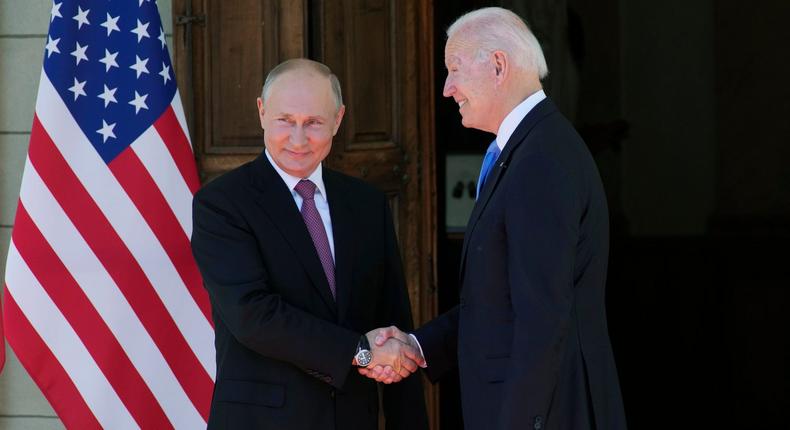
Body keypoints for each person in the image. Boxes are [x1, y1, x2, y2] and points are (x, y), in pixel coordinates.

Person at [362, 7, 627, 430]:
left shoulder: (540, 159)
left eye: (455, 69)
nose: (447, 88)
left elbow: (541, 317)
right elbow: (499, 300)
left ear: (498, 65)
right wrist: (418, 345)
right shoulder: (526, 149)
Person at [191, 58, 428, 430]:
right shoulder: (221, 204)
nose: (298, 139)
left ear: (338, 119)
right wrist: (358, 352)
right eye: (286, 120)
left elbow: (393, 319)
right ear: (262, 112)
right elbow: (253, 316)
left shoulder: (366, 203)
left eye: (314, 123)